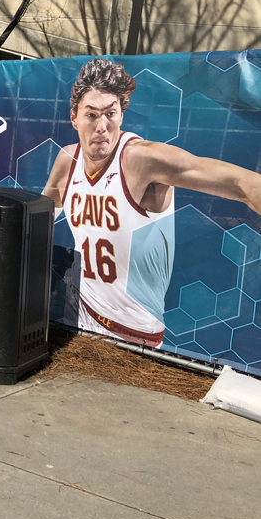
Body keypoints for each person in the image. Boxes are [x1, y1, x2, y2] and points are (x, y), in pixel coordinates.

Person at [42, 58, 261, 346]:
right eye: (92, 115)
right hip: (81, 321)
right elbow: (34, 223)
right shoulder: (67, 161)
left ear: (121, 116)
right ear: (74, 118)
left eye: (110, 114)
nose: (102, 126)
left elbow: (242, 184)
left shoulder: (139, 159)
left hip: (135, 334)